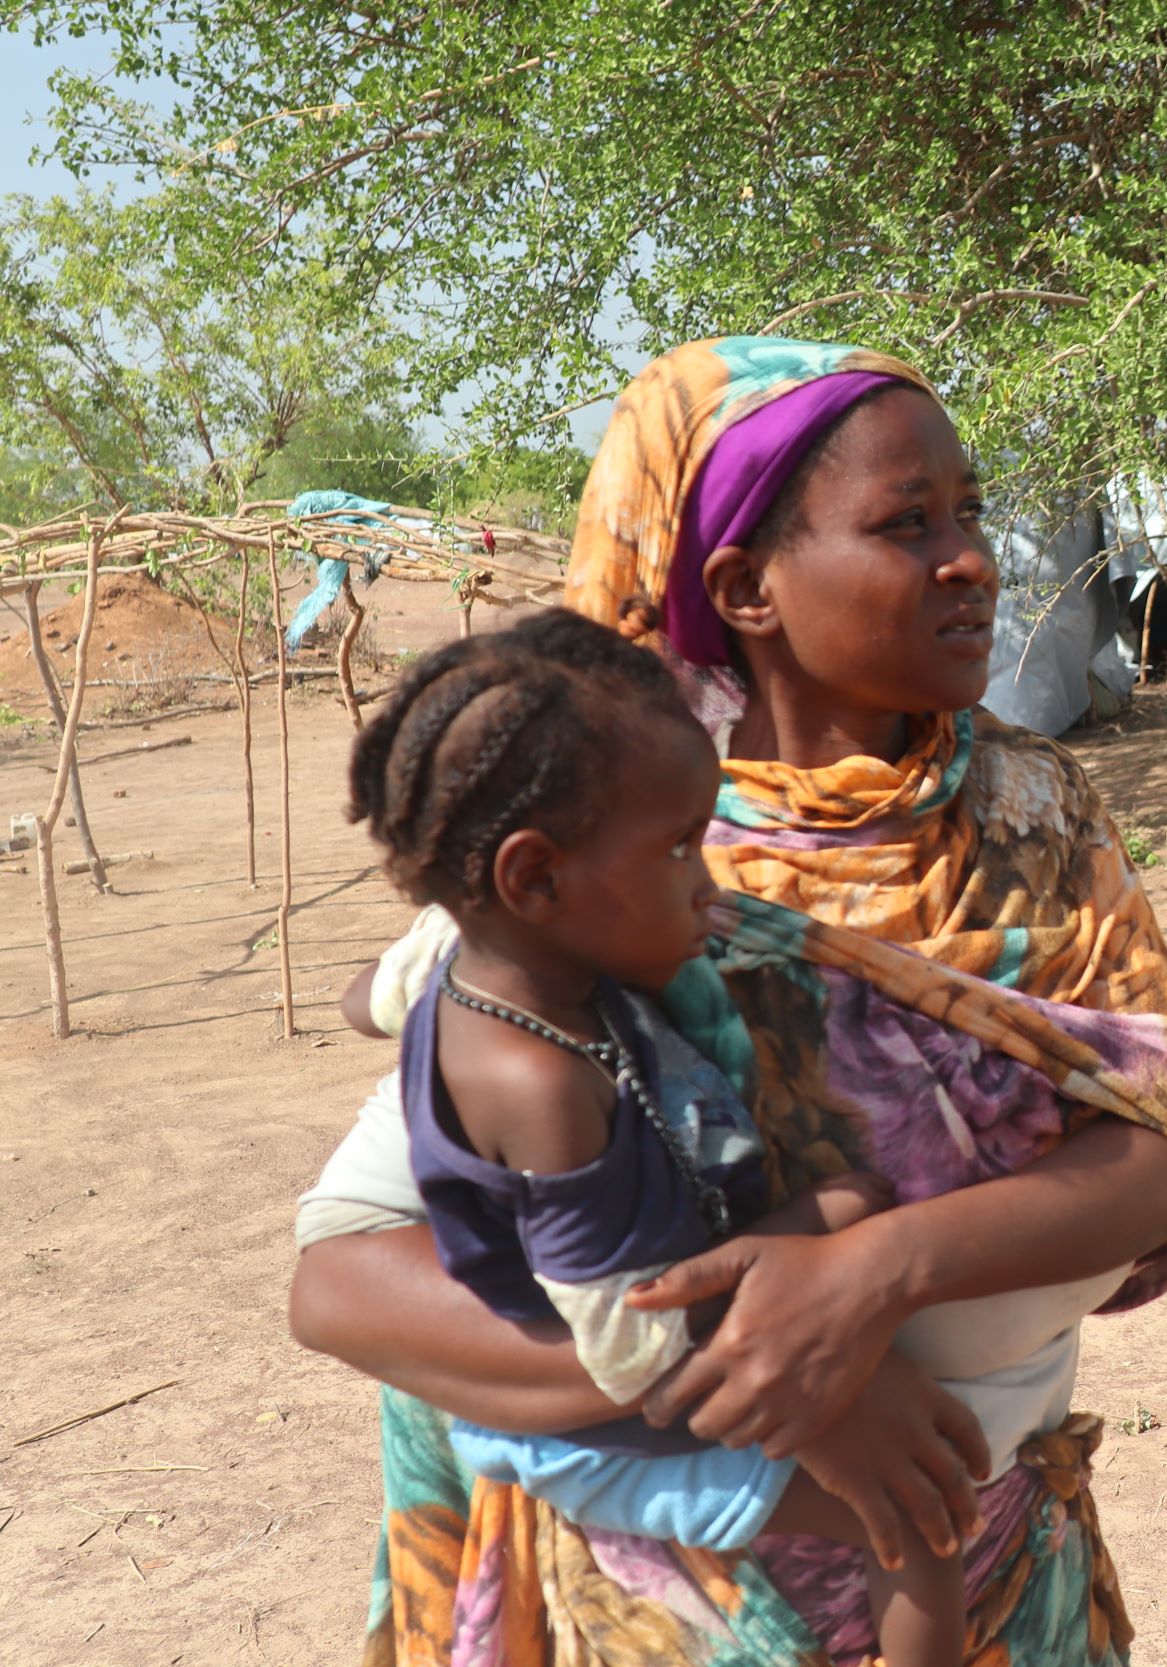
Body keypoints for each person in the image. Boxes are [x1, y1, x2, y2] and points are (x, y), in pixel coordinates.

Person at [290, 337, 1167, 1667]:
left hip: (979, 1558)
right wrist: (773, 1393)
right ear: (744, 585)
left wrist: (875, 1270)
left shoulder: (1032, 814)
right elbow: (345, 1281)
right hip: (662, 1594)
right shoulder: (614, 860)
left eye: (971, 512)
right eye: (908, 523)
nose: (970, 558)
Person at [336, 608, 974, 1667]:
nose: (707, 882)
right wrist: (822, 1219)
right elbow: (630, 1343)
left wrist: (368, 998)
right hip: (596, 1430)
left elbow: (383, 985)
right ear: (533, 880)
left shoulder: (475, 961)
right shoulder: (539, 1082)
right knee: (916, 1521)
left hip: (611, 1387)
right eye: (680, 848)